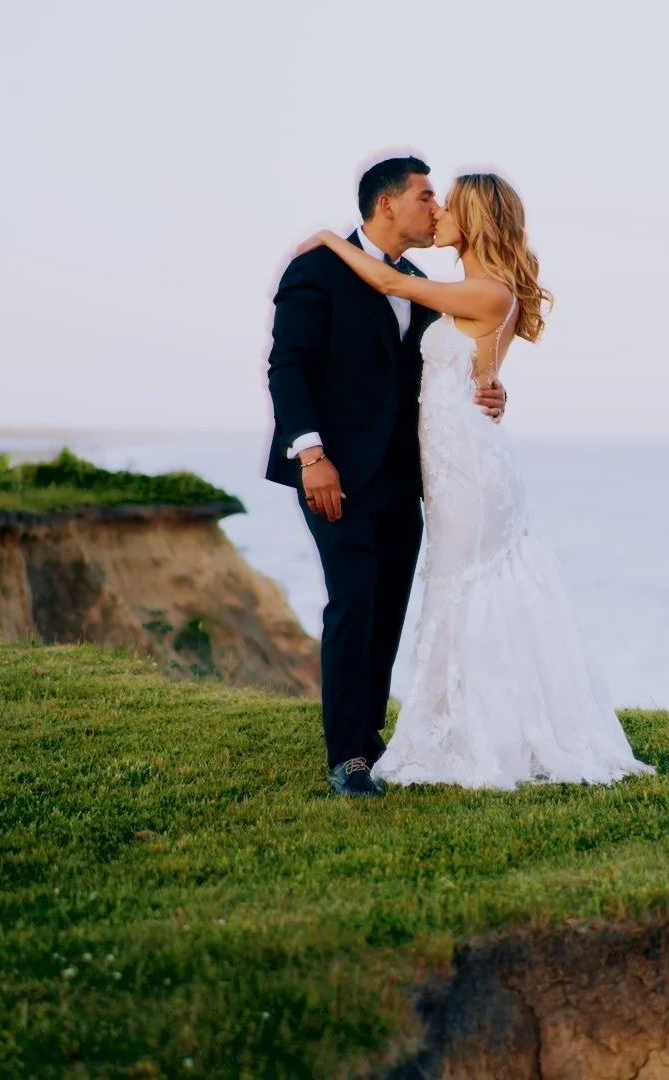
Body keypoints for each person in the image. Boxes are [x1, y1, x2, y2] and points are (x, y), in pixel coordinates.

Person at [297, 172, 654, 790]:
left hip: (468, 462)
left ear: (476, 220)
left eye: (449, 205)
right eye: (430, 199)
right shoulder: (468, 289)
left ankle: (478, 733)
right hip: (449, 457)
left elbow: (385, 280)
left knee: (465, 589)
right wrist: (487, 384)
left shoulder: (482, 291)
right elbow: (454, 364)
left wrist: (330, 236)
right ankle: (459, 724)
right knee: (456, 589)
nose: (437, 214)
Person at [264, 156, 507, 796]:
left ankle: (370, 738)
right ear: (387, 205)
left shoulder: (416, 280)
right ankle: (346, 755)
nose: (437, 210)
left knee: (389, 609)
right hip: (334, 473)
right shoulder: (316, 268)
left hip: (409, 477)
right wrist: (311, 456)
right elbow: (286, 367)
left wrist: (488, 386)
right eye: (428, 197)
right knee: (354, 602)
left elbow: (442, 369)